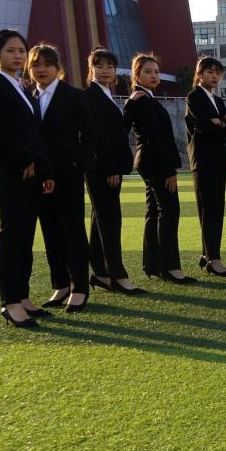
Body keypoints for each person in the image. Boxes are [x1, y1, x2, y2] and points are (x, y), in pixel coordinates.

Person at [0, 28, 53, 329]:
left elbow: (34, 134)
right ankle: (9, 302)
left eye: (22, 50)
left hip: (32, 172)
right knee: (11, 236)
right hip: (11, 171)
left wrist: (43, 169)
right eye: (11, 50)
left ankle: (22, 296)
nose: (18, 56)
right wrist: (24, 160)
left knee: (25, 237)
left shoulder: (23, 87)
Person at [27, 43, 95, 313]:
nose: (41, 70)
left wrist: (78, 162)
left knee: (73, 230)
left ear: (58, 68)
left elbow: (90, 133)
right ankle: (61, 284)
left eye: (47, 64)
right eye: (35, 65)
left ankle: (80, 287)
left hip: (68, 173)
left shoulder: (74, 96)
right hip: (39, 176)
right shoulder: (29, 97)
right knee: (50, 230)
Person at [124, 52, 195, 284]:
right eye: (148, 71)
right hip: (156, 163)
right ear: (137, 74)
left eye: (156, 71)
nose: (154, 75)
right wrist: (170, 171)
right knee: (169, 211)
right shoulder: (140, 99)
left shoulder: (144, 97)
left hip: (150, 161)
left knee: (154, 211)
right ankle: (169, 267)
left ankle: (153, 264)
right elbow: (156, 139)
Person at [82, 48, 142, 295]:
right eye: (100, 65)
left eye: (110, 66)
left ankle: (100, 272)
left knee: (100, 219)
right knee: (110, 221)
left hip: (108, 167)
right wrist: (110, 169)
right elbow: (96, 136)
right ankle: (117, 275)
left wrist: (130, 105)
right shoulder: (89, 96)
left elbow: (117, 130)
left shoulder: (106, 94)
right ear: (91, 69)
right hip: (102, 169)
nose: (105, 70)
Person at [185, 55, 226, 277]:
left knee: (217, 208)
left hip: (218, 159)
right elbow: (203, 125)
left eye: (218, 73)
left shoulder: (217, 100)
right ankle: (213, 259)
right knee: (208, 209)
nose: (214, 76)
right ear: (199, 74)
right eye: (210, 72)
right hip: (204, 160)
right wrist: (219, 123)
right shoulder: (194, 96)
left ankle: (207, 254)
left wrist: (219, 122)